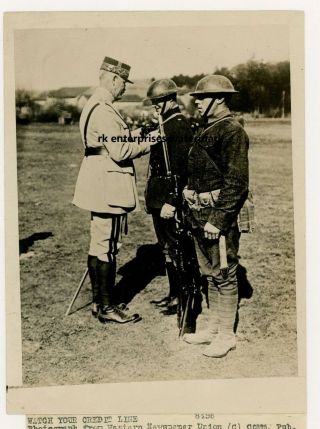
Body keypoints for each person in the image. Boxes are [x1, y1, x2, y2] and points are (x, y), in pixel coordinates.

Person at [73, 56, 156, 324]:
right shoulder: (105, 110)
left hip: (96, 181)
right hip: (108, 184)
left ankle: (100, 303)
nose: (124, 89)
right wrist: (151, 141)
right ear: (113, 79)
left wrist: (137, 133)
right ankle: (108, 308)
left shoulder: (93, 105)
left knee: (99, 244)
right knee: (107, 247)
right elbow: (120, 152)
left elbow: (109, 141)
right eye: (123, 84)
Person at [182, 75, 249, 357]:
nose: (196, 101)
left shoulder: (232, 131)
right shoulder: (208, 127)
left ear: (219, 98)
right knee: (209, 274)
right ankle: (213, 328)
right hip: (199, 214)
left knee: (225, 272)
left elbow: (237, 182)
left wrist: (218, 220)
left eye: (202, 97)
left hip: (216, 217)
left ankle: (226, 335)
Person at [144, 79, 194, 315]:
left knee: (176, 248)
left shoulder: (179, 126)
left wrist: (172, 202)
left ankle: (182, 298)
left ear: (169, 101)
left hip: (168, 200)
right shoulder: (164, 124)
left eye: (157, 102)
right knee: (167, 248)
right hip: (159, 197)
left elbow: (182, 169)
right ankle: (173, 294)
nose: (154, 107)